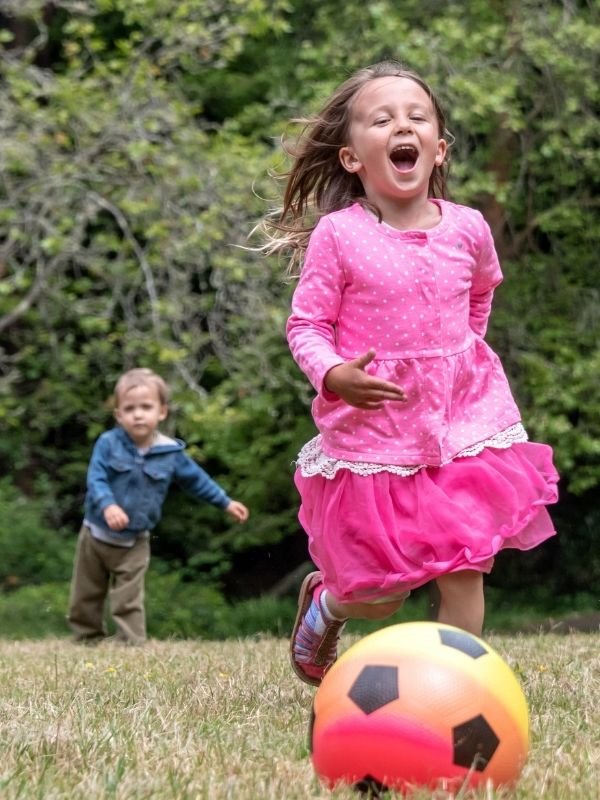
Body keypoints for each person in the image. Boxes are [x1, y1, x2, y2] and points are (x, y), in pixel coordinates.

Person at [259, 61, 559, 686]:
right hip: (376, 433)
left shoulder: (469, 228)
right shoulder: (339, 236)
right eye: (382, 118)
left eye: (417, 117)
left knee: (466, 562)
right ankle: (328, 605)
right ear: (351, 158)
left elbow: (481, 293)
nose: (403, 125)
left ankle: (457, 688)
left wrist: (463, 350)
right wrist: (335, 372)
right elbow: (305, 325)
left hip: (462, 421)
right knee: (379, 594)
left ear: (438, 148)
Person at [67, 367, 249, 645]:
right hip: (95, 534)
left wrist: (225, 501)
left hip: (135, 540)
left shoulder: (170, 453)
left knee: (128, 596)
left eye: (146, 407)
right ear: (118, 415)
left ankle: (131, 642)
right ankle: (87, 637)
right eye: (129, 408)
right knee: (86, 593)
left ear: (162, 412)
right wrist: (108, 505)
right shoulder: (108, 444)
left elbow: (196, 480)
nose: (138, 414)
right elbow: (96, 478)